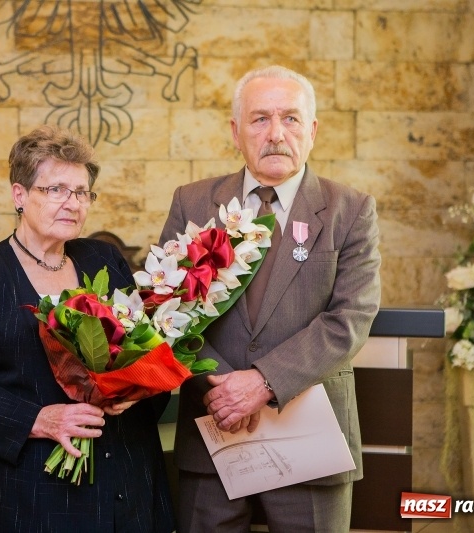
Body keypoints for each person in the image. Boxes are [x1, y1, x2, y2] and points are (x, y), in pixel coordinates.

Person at [159, 65, 381, 532]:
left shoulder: (351, 210)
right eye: (260, 119)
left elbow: (350, 318)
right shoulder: (193, 204)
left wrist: (262, 383)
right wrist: (223, 389)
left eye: (291, 119)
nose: (276, 133)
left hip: (311, 442)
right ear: (236, 132)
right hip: (214, 432)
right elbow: (166, 311)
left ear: (313, 130)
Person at [0, 125, 175, 533]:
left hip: (127, 484)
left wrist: (132, 392)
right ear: (19, 195)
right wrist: (41, 418)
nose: (73, 203)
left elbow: (147, 357)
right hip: (36, 493)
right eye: (56, 189)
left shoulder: (105, 259)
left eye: (82, 192)